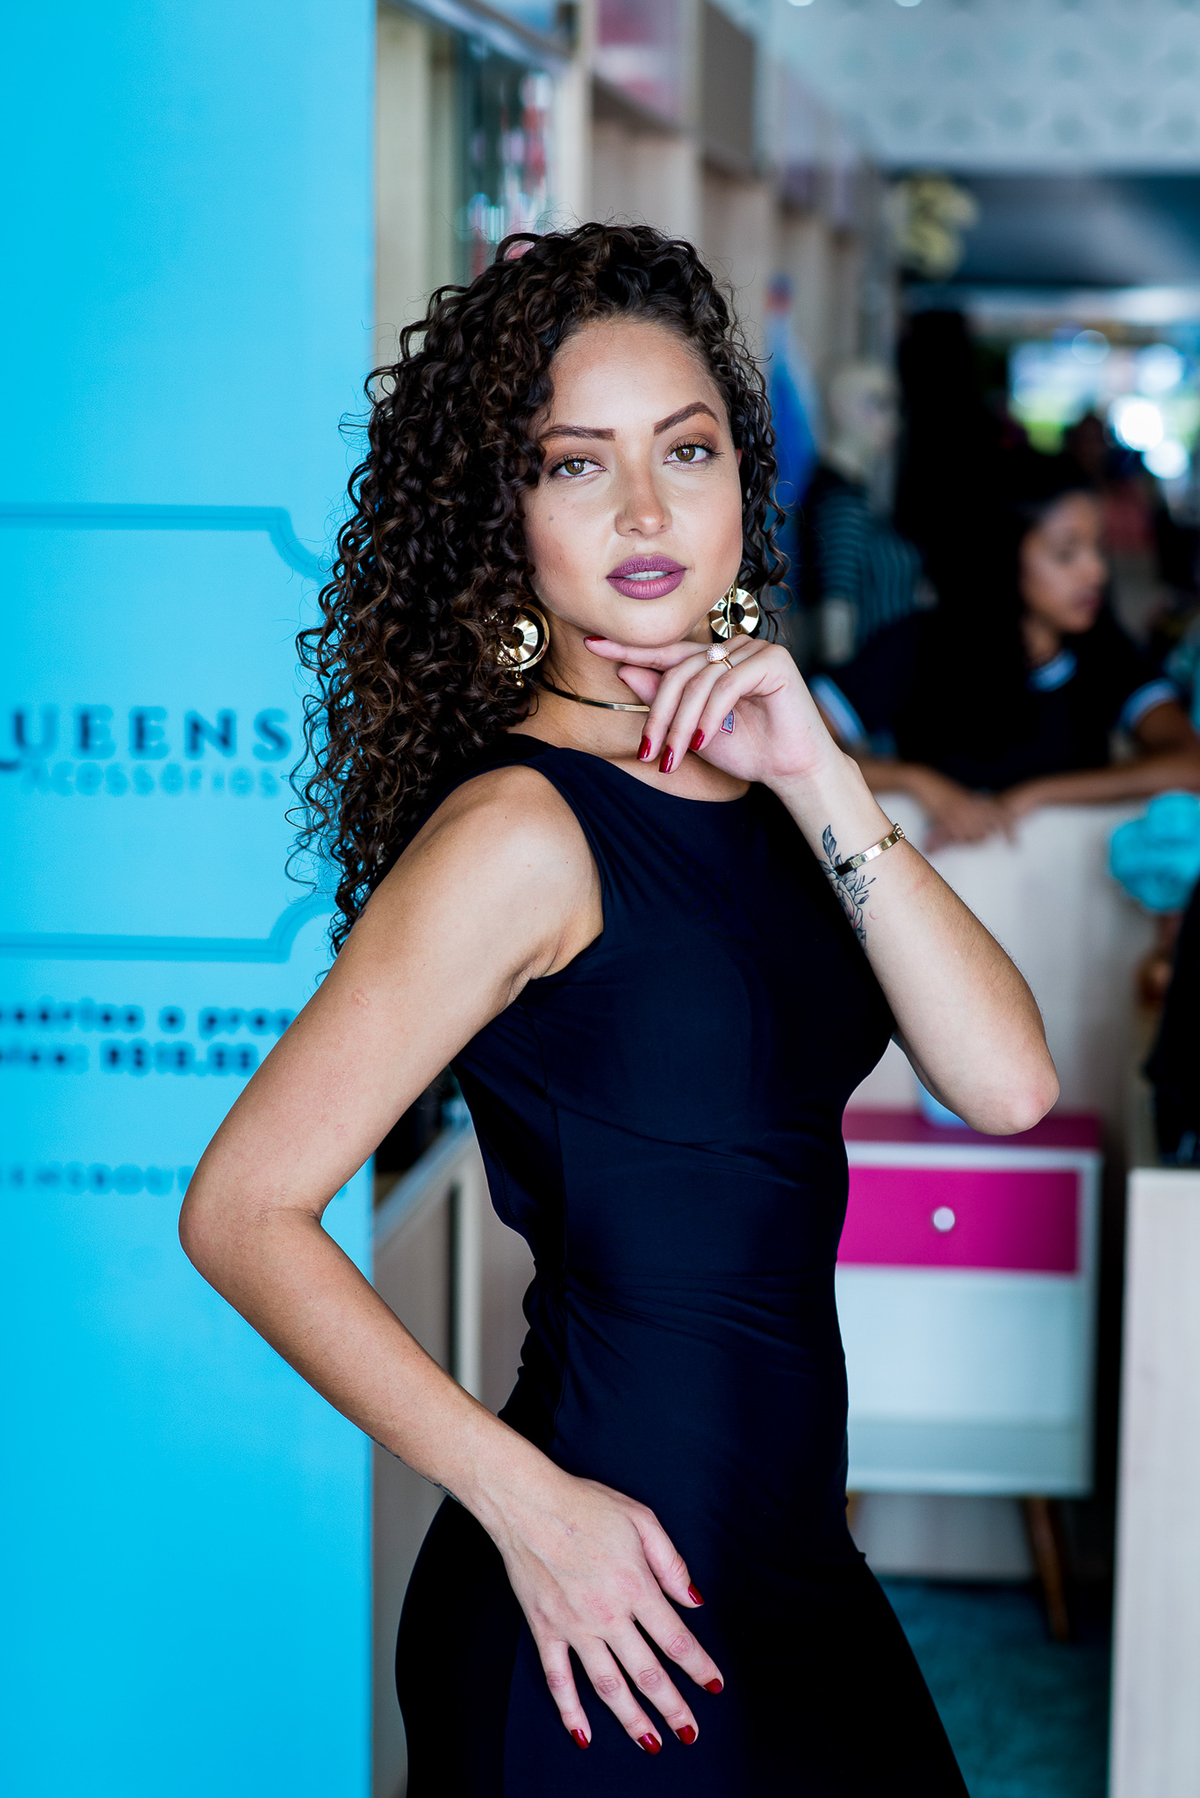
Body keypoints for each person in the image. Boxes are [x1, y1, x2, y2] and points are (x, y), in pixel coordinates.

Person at [178, 224, 1058, 1795]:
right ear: (505, 513)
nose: (646, 510)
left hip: (786, 1555)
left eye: (686, 449)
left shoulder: (775, 774)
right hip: (599, 1593)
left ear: (743, 483)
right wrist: (526, 1504)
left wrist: (822, 770)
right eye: (577, 464)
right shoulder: (519, 832)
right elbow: (242, 1210)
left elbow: (1004, 1084)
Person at [813, 450, 1200, 848]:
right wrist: (915, 781)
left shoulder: (1104, 654)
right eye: (1066, 554)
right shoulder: (922, 644)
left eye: (1098, 548)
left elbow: (1190, 764)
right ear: (1003, 556)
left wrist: (1037, 795)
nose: (1097, 571)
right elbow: (802, 740)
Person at [797, 360, 926, 669]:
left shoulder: (853, 497)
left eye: (893, 405)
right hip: (866, 681)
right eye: (878, 403)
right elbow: (835, 614)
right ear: (839, 406)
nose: (892, 419)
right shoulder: (840, 502)